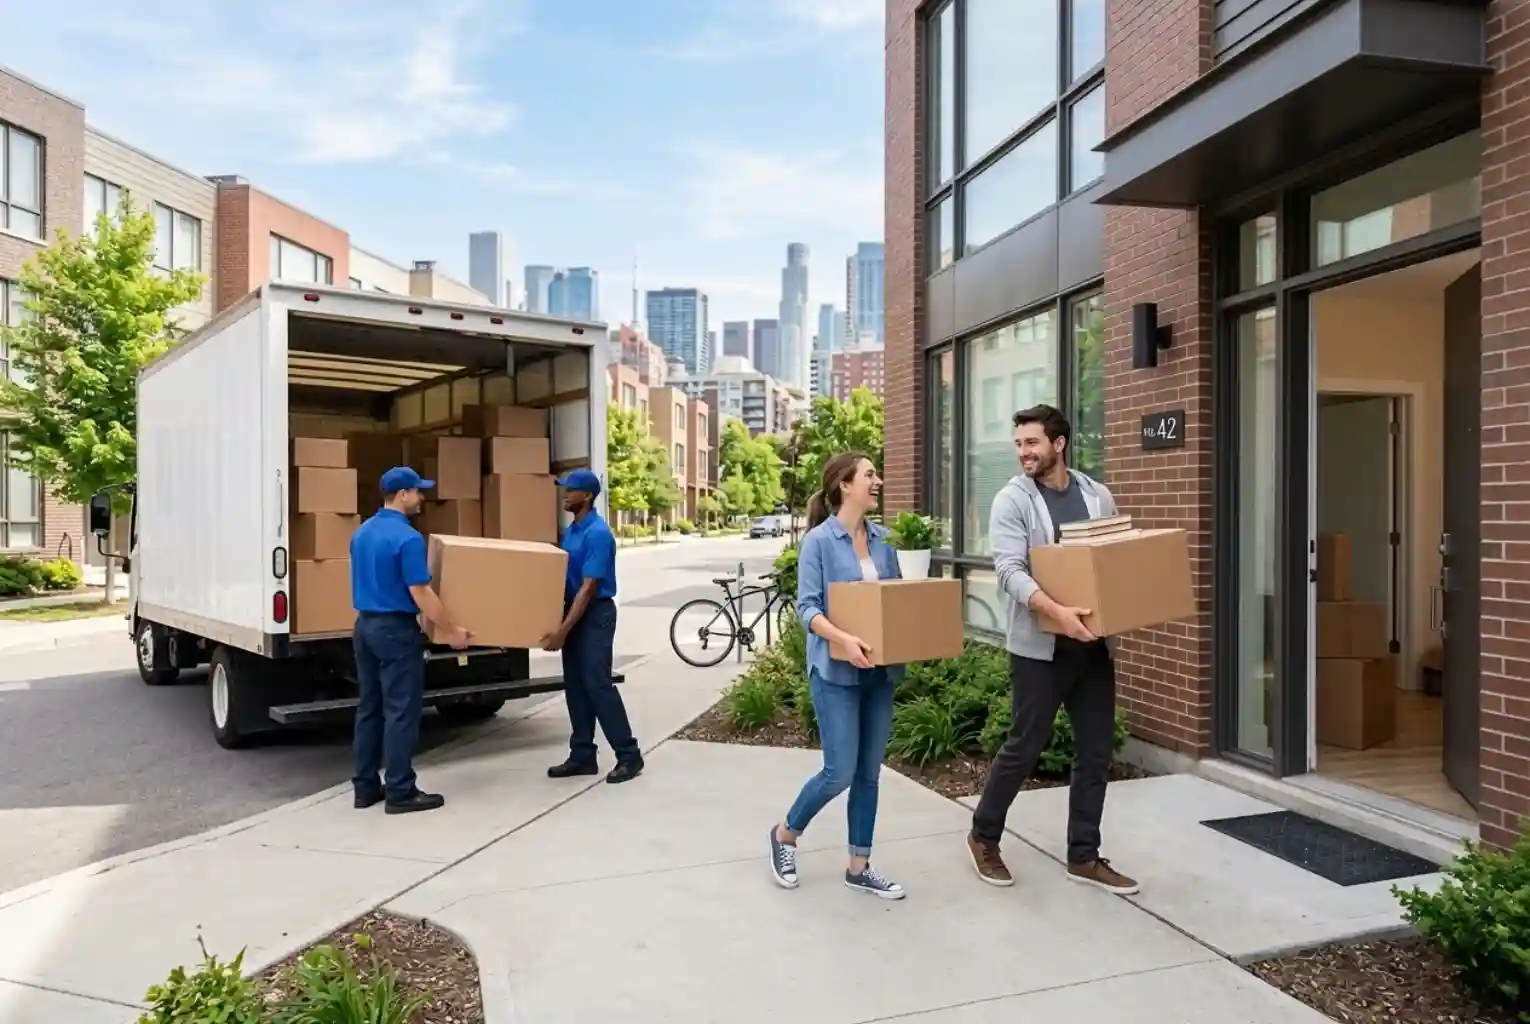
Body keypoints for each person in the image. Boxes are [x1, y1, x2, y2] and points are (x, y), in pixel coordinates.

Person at [966, 404, 1139, 895]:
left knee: (1095, 752)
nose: (1023, 452)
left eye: (1032, 443)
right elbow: (1009, 571)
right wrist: (1058, 612)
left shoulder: (1096, 495)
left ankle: (1083, 855)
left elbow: (1110, 561)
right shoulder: (1012, 500)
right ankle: (983, 836)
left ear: (1058, 444)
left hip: (1093, 646)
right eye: (1019, 443)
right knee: (1024, 748)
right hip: (1040, 648)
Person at [768, 453, 906, 900]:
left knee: (869, 772)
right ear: (844, 485)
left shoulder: (883, 541)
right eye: (870, 475)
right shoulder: (819, 542)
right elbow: (807, 607)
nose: (878, 481)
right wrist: (844, 639)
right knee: (839, 771)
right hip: (834, 672)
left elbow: (895, 601)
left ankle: (859, 866)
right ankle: (786, 834)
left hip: (878, 671)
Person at [350, 466, 471, 815]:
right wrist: (452, 631)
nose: (421, 498)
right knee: (401, 711)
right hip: (395, 630)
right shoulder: (406, 538)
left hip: (365, 626)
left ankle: (365, 787)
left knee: (369, 709)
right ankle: (400, 791)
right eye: (418, 491)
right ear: (403, 494)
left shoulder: (362, 533)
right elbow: (420, 591)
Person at [541, 468, 643, 785]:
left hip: (595, 614)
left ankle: (629, 755)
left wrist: (563, 629)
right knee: (575, 686)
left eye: (569, 490)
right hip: (574, 611)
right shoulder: (571, 532)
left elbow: (587, 588)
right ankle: (583, 755)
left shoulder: (597, 533)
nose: (564, 494)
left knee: (598, 685)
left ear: (586, 496)